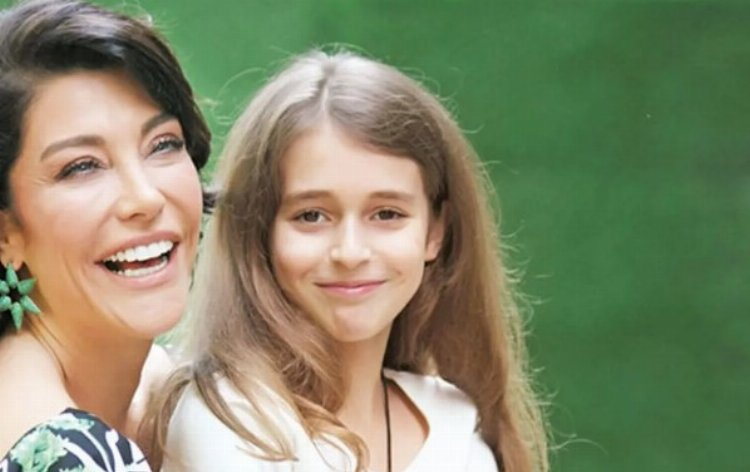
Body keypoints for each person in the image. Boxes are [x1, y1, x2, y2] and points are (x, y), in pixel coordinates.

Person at [155, 50, 547, 472]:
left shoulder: (456, 427)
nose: (350, 253)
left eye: (387, 214)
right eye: (311, 216)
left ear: (436, 231)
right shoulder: (228, 422)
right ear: (259, 233)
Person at [0, 0, 211, 470]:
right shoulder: (67, 453)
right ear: (5, 234)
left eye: (163, 144)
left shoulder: (164, 387)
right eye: (81, 167)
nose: (145, 198)